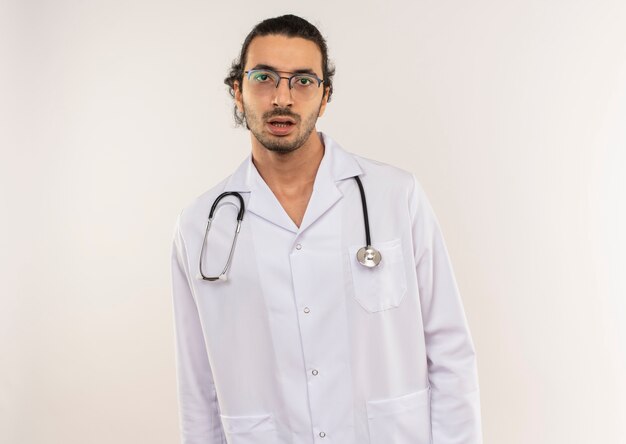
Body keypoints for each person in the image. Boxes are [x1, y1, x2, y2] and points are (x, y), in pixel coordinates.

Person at [171, 14, 482, 444]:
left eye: (302, 81)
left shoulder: (395, 196)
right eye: (263, 77)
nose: (282, 97)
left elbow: (450, 352)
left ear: (325, 96)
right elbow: (197, 387)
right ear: (237, 91)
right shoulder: (200, 227)